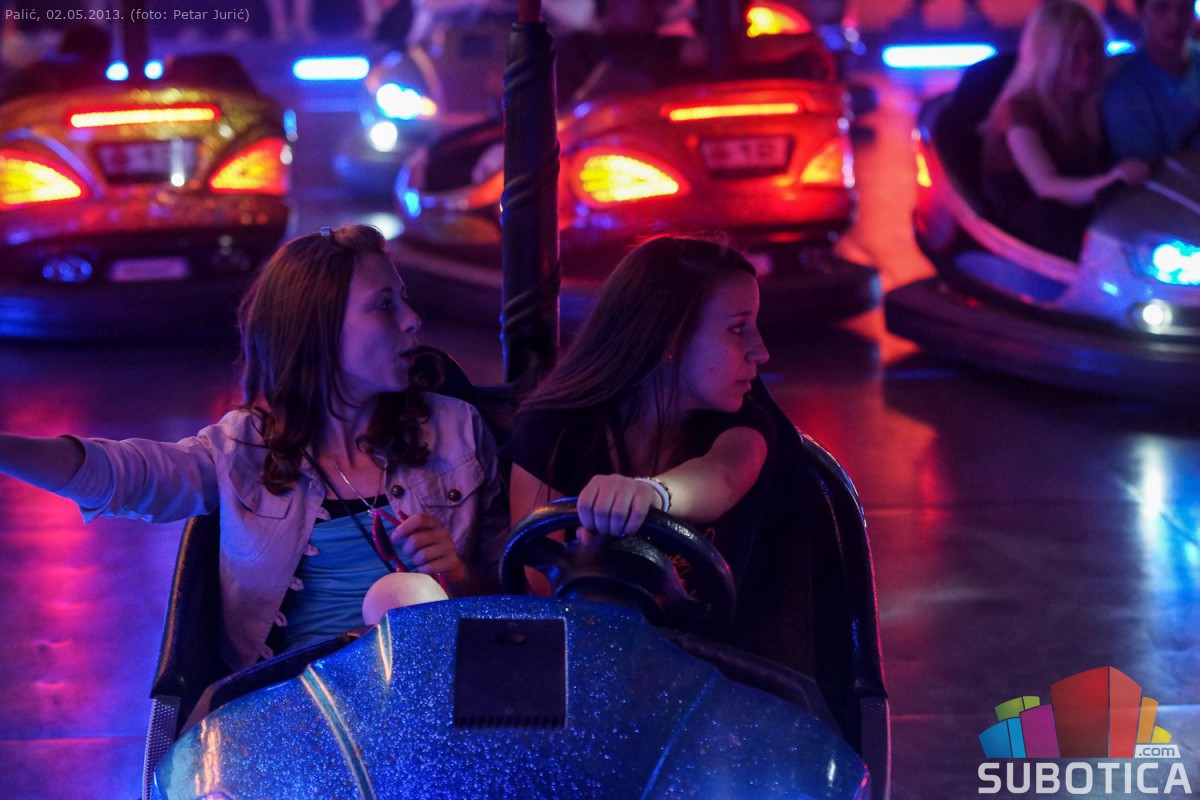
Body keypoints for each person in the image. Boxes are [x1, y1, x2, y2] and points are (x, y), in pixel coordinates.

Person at [0, 224, 506, 671]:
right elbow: (123, 475)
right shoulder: (242, 450)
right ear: (318, 328)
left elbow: (517, 599)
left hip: (428, 700)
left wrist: (456, 574)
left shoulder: (456, 430)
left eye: (405, 300)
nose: (413, 319)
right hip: (292, 707)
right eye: (385, 305)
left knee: (409, 600)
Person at [503, 235, 772, 590]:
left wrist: (650, 494)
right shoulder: (552, 427)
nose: (761, 351)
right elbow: (537, 582)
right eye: (738, 329)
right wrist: (591, 565)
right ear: (668, 338)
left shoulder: (745, 424)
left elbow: (722, 477)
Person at [979, 0, 1149, 260]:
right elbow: (1047, 187)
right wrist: (1113, 180)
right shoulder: (1019, 110)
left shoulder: (1085, 103)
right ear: (1050, 54)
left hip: (1070, 214)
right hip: (1025, 231)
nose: (1088, 60)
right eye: (1074, 50)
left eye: (1092, 47)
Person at [1102, 0, 1200, 162]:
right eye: (1161, 7)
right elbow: (1146, 168)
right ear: (1142, 13)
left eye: (1184, 8)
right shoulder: (1124, 90)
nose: (1174, 19)